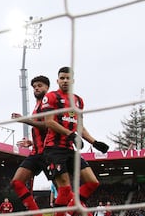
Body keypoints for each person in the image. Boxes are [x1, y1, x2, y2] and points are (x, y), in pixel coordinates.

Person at [41, 66, 109, 216]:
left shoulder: (78, 101)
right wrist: (70, 134)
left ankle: (70, 211)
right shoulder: (51, 97)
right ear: (57, 80)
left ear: (73, 80)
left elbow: (80, 126)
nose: (65, 81)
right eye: (62, 78)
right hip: (54, 149)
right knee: (65, 189)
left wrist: (94, 142)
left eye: (68, 78)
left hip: (70, 149)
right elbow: (49, 122)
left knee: (93, 182)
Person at [10, 75, 50, 216]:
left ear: (47, 87)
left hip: (49, 153)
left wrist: (24, 120)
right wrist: (31, 143)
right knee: (16, 182)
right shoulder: (37, 106)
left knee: (64, 190)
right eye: (34, 87)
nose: (36, 88)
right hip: (36, 152)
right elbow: (43, 131)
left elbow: (48, 125)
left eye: (39, 86)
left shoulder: (48, 103)